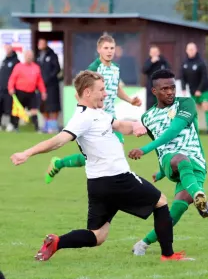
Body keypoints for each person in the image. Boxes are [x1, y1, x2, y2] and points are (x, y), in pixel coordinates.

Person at [11, 70, 186, 262]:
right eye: (101, 90)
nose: (106, 93)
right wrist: (27, 153)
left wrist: (138, 126)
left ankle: (57, 242)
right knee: (160, 201)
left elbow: (118, 125)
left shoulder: (98, 113)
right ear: (87, 92)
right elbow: (59, 140)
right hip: (117, 178)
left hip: (98, 184)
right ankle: (168, 255)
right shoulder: (82, 118)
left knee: (97, 236)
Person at [128, 69, 208, 256]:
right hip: (171, 159)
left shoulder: (186, 104)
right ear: (154, 91)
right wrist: (161, 168)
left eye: (173, 88)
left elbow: (173, 131)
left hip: (196, 162)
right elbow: (160, 145)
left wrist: (147, 155)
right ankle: (198, 193)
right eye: (164, 89)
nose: (170, 92)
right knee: (180, 158)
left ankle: (143, 243)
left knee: (177, 209)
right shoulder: (147, 117)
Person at [44, 34, 142, 184]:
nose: (109, 51)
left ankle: (59, 164)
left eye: (112, 48)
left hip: (111, 117)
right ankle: (60, 164)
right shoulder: (94, 69)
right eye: (106, 48)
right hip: (97, 119)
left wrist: (130, 100)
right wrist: (92, 112)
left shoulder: (115, 68)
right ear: (99, 49)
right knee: (101, 156)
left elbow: (115, 88)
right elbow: (79, 94)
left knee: (112, 155)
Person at [7, 49, 47, 132]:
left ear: (32, 57)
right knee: (17, 110)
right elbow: (12, 79)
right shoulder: (18, 66)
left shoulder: (36, 67)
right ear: (24, 56)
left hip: (31, 93)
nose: (29, 57)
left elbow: (40, 81)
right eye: (27, 56)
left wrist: (43, 91)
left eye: (30, 56)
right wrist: (10, 88)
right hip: (20, 92)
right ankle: (15, 127)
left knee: (34, 110)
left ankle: (36, 128)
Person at [180, 42, 208, 134]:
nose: (191, 51)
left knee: (206, 106)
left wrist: (199, 90)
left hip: (204, 90)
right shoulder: (184, 63)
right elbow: (183, 77)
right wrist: (183, 88)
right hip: (192, 90)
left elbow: (204, 77)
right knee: (193, 110)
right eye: (189, 49)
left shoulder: (201, 62)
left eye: (192, 49)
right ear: (186, 51)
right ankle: (195, 130)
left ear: (196, 50)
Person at [36, 38, 62, 133]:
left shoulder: (52, 55)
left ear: (46, 44)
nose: (40, 44)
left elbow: (57, 69)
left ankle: (53, 126)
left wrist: (48, 79)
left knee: (53, 106)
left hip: (52, 86)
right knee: (43, 106)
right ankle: (46, 126)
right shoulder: (38, 56)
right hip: (41, 86)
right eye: (39, 43)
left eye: (42, 43)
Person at [143, 45, 171, 109]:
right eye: (152, 53)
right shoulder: (148, 61)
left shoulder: (163, 61)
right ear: (150, 53)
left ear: (158, 53)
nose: (154, 54)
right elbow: (144, 70)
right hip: (151, 88)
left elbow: (168, 70)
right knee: (150, 105)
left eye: (155, 52)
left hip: (162, 88)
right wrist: (151, 62)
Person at [0, 43, 19, 130]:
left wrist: (13, 87)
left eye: (8, 49)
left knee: (10, 108)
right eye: (6, 49)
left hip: (10, 89)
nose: (7, 50)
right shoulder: (4, 61)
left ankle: (12, 124)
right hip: (1, 89)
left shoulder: (16, 61)